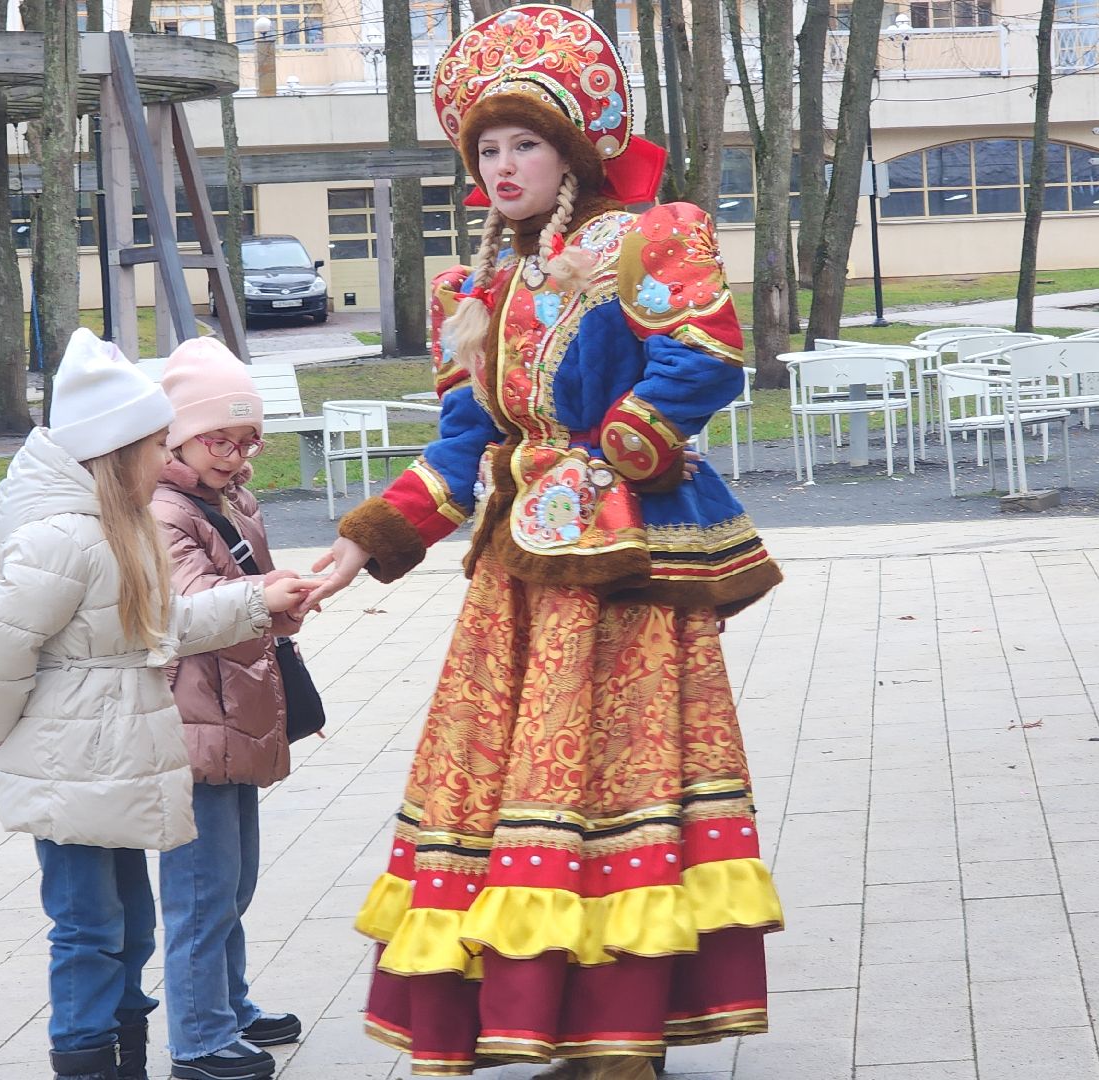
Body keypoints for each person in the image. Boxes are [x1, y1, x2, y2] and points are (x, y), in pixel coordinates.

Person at [306, 6, 785, 1079]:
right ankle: (562, 1023)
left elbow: (704, 352)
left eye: (524, 142)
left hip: (622, 580)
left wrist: (614, 451)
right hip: (515, 590)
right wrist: (359, 545)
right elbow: (462, 447)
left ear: (568, 152)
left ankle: (623, 1036)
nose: (503, 163)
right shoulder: (475, 292)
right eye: (487, 147)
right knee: (515, 799)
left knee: (617, 788)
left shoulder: (648, 235)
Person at [0, 329, 319, 1080]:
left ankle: (126, 1052)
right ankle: (89, 1059)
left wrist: (257, 605)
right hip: (68, 760)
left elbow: (167, 626)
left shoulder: (117, 530)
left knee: (126, 926)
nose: (168, 460)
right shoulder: (63, 539)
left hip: (121, 759)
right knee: (88, 926)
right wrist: (1, 733)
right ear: (119, 450)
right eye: (159, 445)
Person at [149, 338, 308, 1080]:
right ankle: (199, 1039)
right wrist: (261, 602)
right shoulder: (162, 511)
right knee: (200, 890)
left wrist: (280, 605)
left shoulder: (232, 497)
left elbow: (248, 594)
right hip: (192, 721)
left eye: (248, 440)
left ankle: (229, 1008)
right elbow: (186, 607)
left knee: (234, 880)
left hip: (235, 711)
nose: (236, 454)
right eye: (219, 438)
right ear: (177, 434)